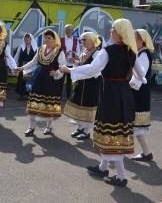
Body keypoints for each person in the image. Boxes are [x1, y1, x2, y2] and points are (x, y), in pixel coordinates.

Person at [60, 19, 145, 187]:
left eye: (113, 29)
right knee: (117, 133)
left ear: (120, 32)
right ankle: (102, 167)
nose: (111, 32)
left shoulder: (108, 51)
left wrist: (71, 70)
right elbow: (141, 74)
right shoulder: (130, 52)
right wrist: (132, 84)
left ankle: (121, 177)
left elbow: (92, 69)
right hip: (124, 94)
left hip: (110, 95)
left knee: (111, 135)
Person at [14, 29, 66, 136]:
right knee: (34, 104)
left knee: (49, 105)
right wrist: (21, 68)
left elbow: (63, 67)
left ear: (54, 39)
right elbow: (33, 62)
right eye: (45, 37)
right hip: (39, 79)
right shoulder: (41, 49)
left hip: (51, 81)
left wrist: (56, 73)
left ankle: (49, 126)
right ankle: (31, 127)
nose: (46, 40)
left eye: (49, 38)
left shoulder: (59, 51)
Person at [64, 32, 101, 140]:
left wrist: (73, 69)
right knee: (79, 103)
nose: (83, 42)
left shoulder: (96, 53)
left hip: (91, 84)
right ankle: (80, 127)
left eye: (85, 40)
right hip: (81, 83)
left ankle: (87, 131)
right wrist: (74, 62)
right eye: (82, 40)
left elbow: (94, 70)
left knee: (89, 105)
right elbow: (81, 65)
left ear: (92, 40)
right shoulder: (85, 52)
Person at [130, 29, 154, 162]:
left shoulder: (144, 54)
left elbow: (140, 75)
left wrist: (126, 85)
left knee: (137, 126)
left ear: (141, 40)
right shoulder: (139, 53)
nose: (132, 41)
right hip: (136, 92)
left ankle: (147, 152)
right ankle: (147, 152)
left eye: (134, 39)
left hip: (139, 93)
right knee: (134, 126)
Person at [13, 33, 37, 101]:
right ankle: (22, 95)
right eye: (25, 38)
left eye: (28, 38)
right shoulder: (21, 47)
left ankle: (29, 94)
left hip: (31, 67)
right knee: (22, 81)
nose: (26, 40)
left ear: (31, 39)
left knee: (30, 81)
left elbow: (37, 60)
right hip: (22, 67)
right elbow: (16, 57)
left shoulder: (36, 48)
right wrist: (14, 66)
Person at [60, 24, 80, 99]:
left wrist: (74, 57)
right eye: (67, 29)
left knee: (69, 81)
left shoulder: (76, 40)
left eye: (70, 29)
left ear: (72, 31)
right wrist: (65, 53)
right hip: (63, 63)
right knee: (60, 80)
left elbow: (78, 51)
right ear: (65, 31)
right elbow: (58, 50)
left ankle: (68, 97)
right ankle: (58, 96)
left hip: (71, 64)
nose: (68, 31)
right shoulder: (61, 39)